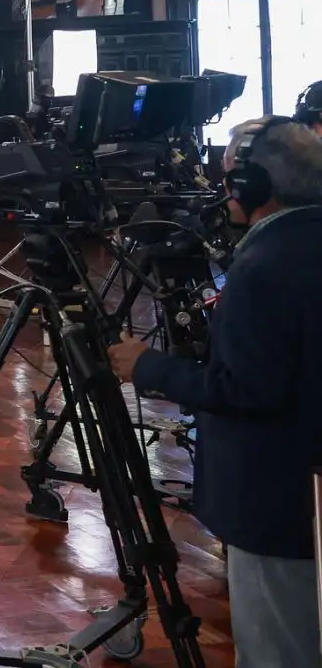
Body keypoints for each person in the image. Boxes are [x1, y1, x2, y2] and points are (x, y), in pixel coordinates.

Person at [111, 117, 322, 668]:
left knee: (279, 651)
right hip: (311, 495)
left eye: (229, 175)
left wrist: (148, 366)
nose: (221, 188)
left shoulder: (265, 264)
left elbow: (245, 390)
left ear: (254, 186)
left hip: (277, 502)